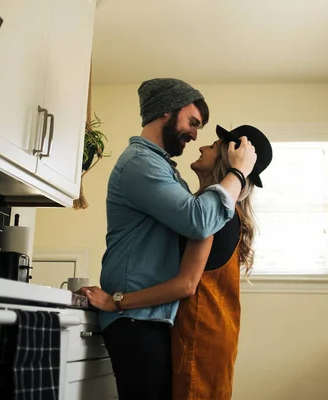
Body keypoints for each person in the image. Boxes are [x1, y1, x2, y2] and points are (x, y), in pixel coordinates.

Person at [82, 124, 273, 400]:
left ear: (227, 159)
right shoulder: (220, 212)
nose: (202, 146)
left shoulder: (214, 214)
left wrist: (116, 301)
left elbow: (186, 285)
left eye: (214, 145)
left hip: (198, 343)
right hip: (209, 342)